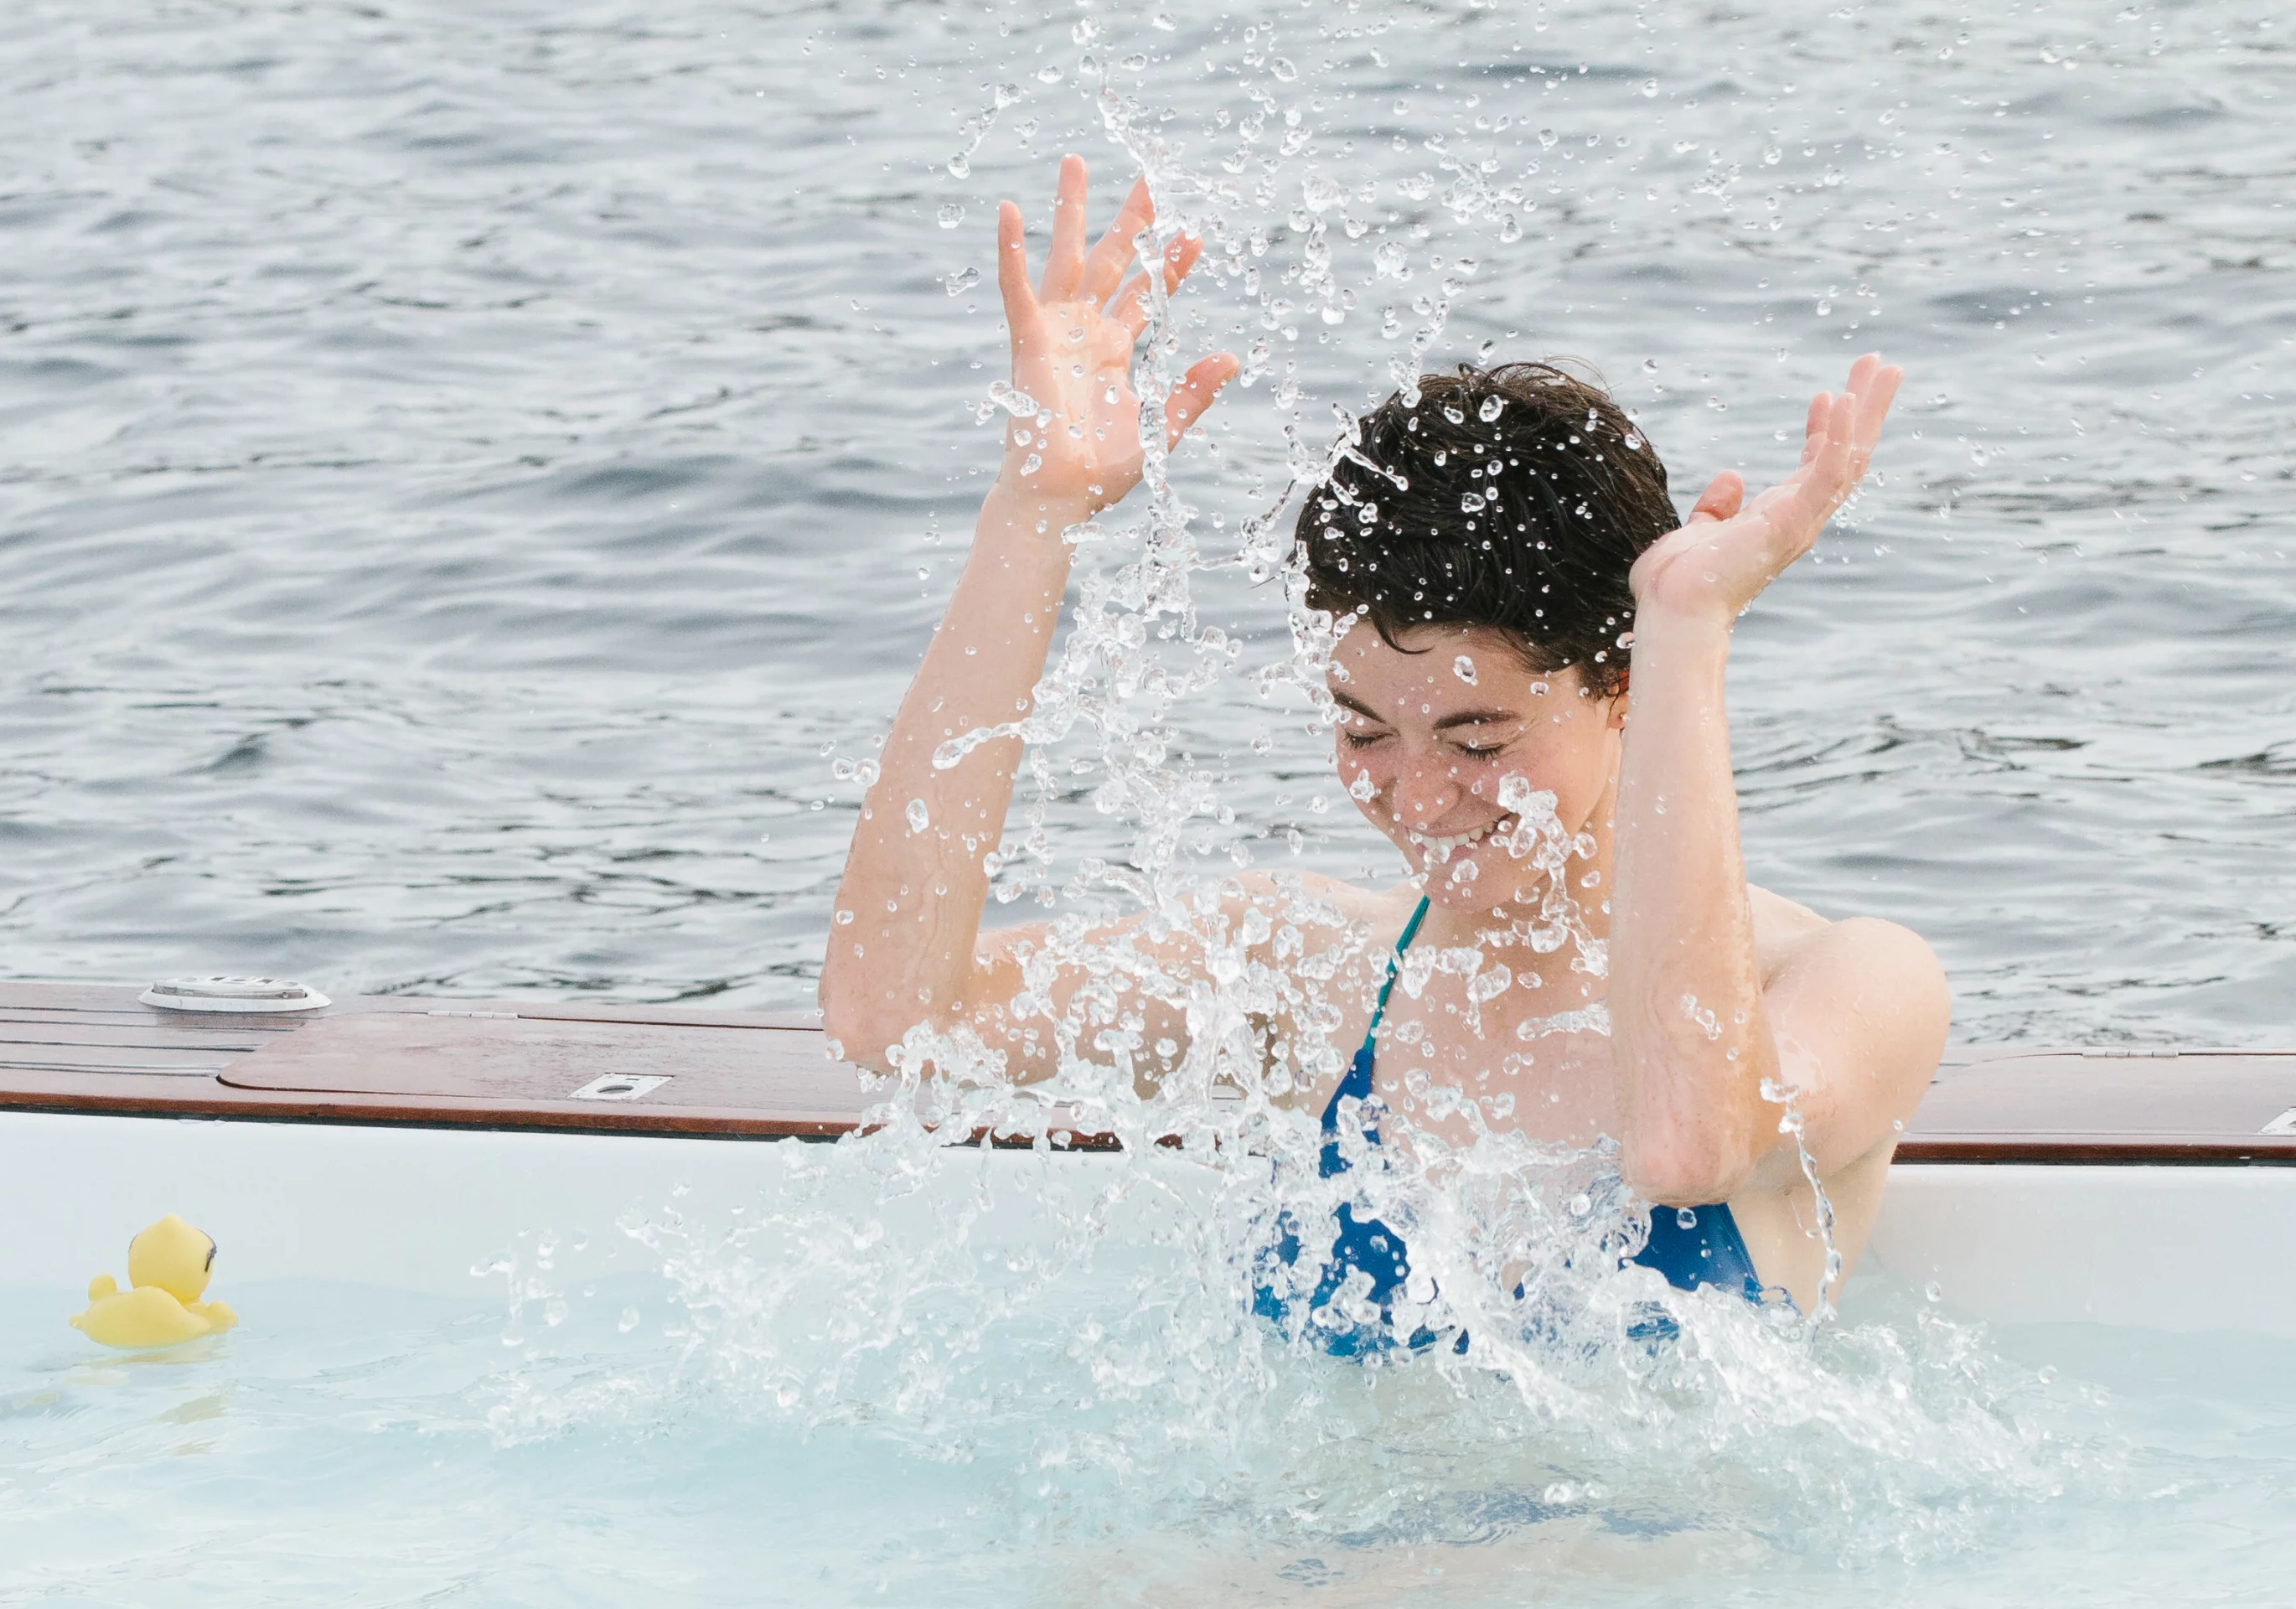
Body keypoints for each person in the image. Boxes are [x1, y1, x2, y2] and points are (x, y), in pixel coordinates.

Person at [819, 154, 1948, 1348]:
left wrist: (1686, 636)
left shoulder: (1850, 983)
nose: (1416, 797)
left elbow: (1687, 1143)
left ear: (1620, 688)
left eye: (1478, 737)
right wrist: (1031, 514)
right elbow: (893, 1016)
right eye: (1364, 729)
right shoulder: (1310, 977)